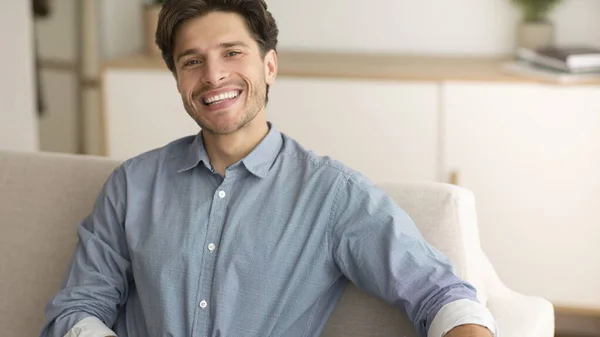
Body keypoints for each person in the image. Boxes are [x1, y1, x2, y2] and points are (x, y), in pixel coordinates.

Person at [40, 0, 497, 336]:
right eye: (192, 61)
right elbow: (78, 307)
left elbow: (441, 294)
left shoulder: (331, 194)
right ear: (178, 79)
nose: (213, 76)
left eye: (232, 52)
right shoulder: (132, 185)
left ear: (270, 65)